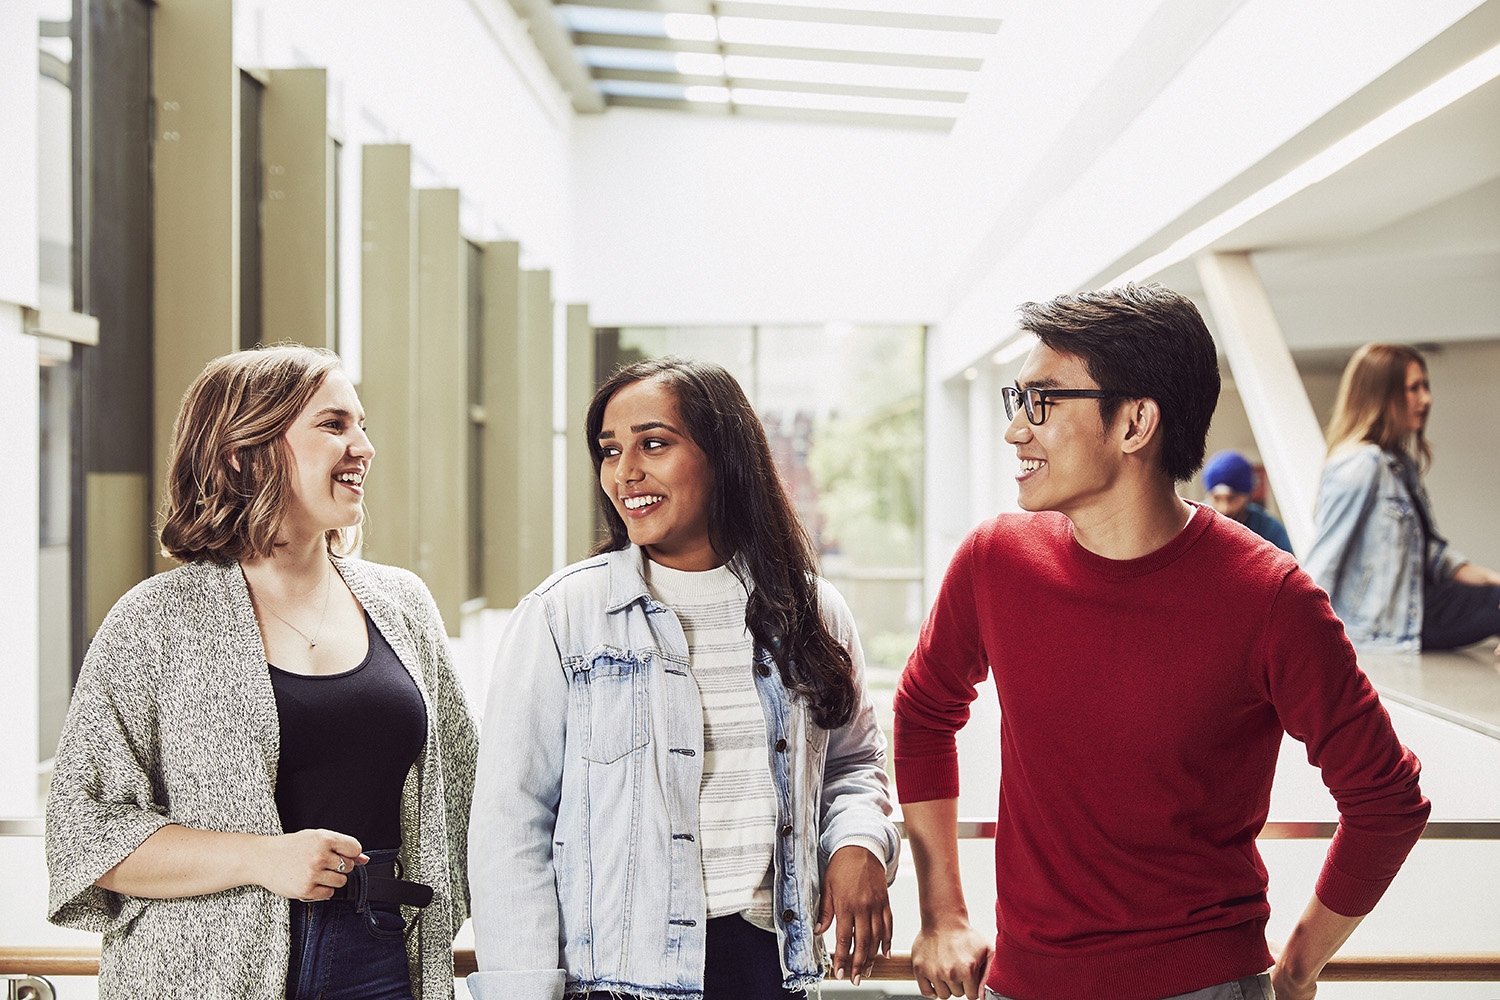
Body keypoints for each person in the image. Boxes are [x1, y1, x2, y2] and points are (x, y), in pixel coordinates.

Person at [894, 285, 1429, 1000]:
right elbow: (924, 713)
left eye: (1043, 401)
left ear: (1136, 422)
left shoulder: (1270, 597)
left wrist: (1299, 966)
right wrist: (941, 912)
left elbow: (1386, 799)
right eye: (1015, 401)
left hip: (1204, 987)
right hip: (1020, 986)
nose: (1016, 430)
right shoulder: (995, 561)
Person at [45, 345, 478, 1000]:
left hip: (382, 958)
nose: (364, 446)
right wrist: (261, 859)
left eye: (361, 424)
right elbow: (84, 830)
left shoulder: (403, 604)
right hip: (206, 971)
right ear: (242, 453)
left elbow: (470, 791)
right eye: (334, 425)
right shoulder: (154, 622)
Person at [466, 356, 899, 1000]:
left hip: (771, 965)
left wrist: (860, 842)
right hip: (615, 979)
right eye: (609, 451)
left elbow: (854, 764)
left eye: (654, 444)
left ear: (725, 456)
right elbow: (511, 821)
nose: (625, 472)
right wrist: (523, 991)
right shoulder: (564, 617)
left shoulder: (811, 612)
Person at [1304, 343, 1500, 655]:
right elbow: (1324, 562)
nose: (1426, 399)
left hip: (1418, 605)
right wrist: (1311, 652)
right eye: (1414, 388)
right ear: (1382, 395)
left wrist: (1492, 579)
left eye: (1425, 386)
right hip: (1385, 625)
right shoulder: (1360, 464)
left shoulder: (1399, 464)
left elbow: (1431, 553)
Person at [1201, 450, 1293, 553]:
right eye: (1217, 498)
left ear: (1247, 495)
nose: (1225, 508)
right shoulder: (1198, 523)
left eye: (1232, 498)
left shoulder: (1270, 531)